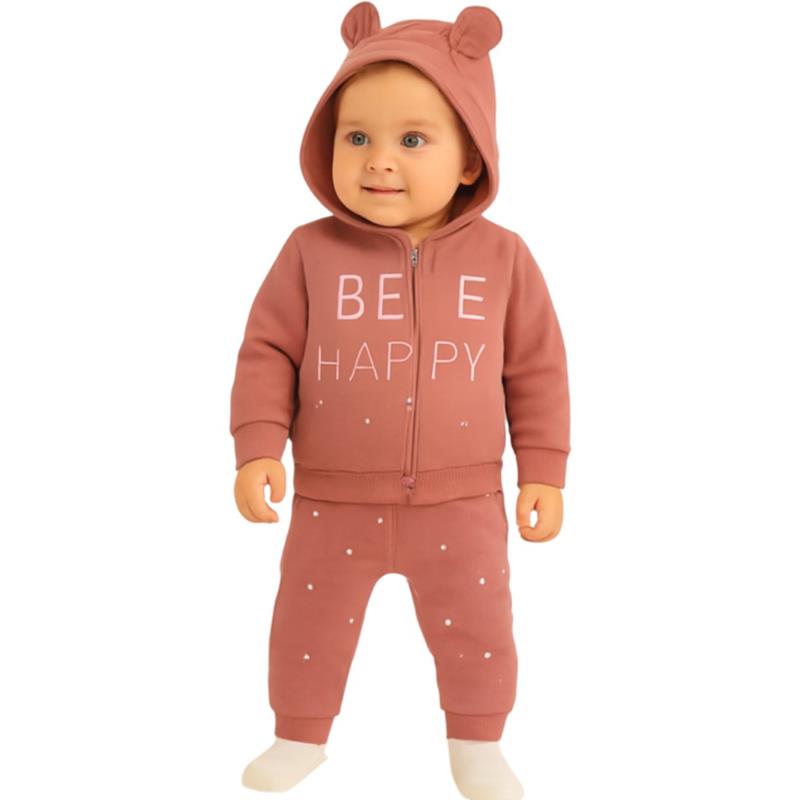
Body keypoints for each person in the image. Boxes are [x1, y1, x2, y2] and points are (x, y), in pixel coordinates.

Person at [230, 4, 571, 798]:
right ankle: (299, 735)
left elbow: (537, 370)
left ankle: (477, 744)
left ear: (470, 157)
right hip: (332, 497)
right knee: (307, 624)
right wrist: (257, 447)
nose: (379, 161)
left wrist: (544, 472)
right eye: (357, 137)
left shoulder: (504, 259)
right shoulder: (309, 252)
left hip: (461, 499)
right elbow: (267, 352)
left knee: (479, 632)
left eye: (412, 140)